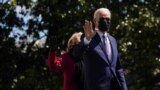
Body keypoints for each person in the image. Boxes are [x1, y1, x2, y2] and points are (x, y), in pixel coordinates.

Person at [72, 8, 128, 90]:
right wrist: (87, 39)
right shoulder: (89, 37)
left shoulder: (113, 40)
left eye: (107, 19)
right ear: (95, 21)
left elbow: (117, 67)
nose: (105, 21)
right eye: (102, 19)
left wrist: (124, 88)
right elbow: (76, 54)